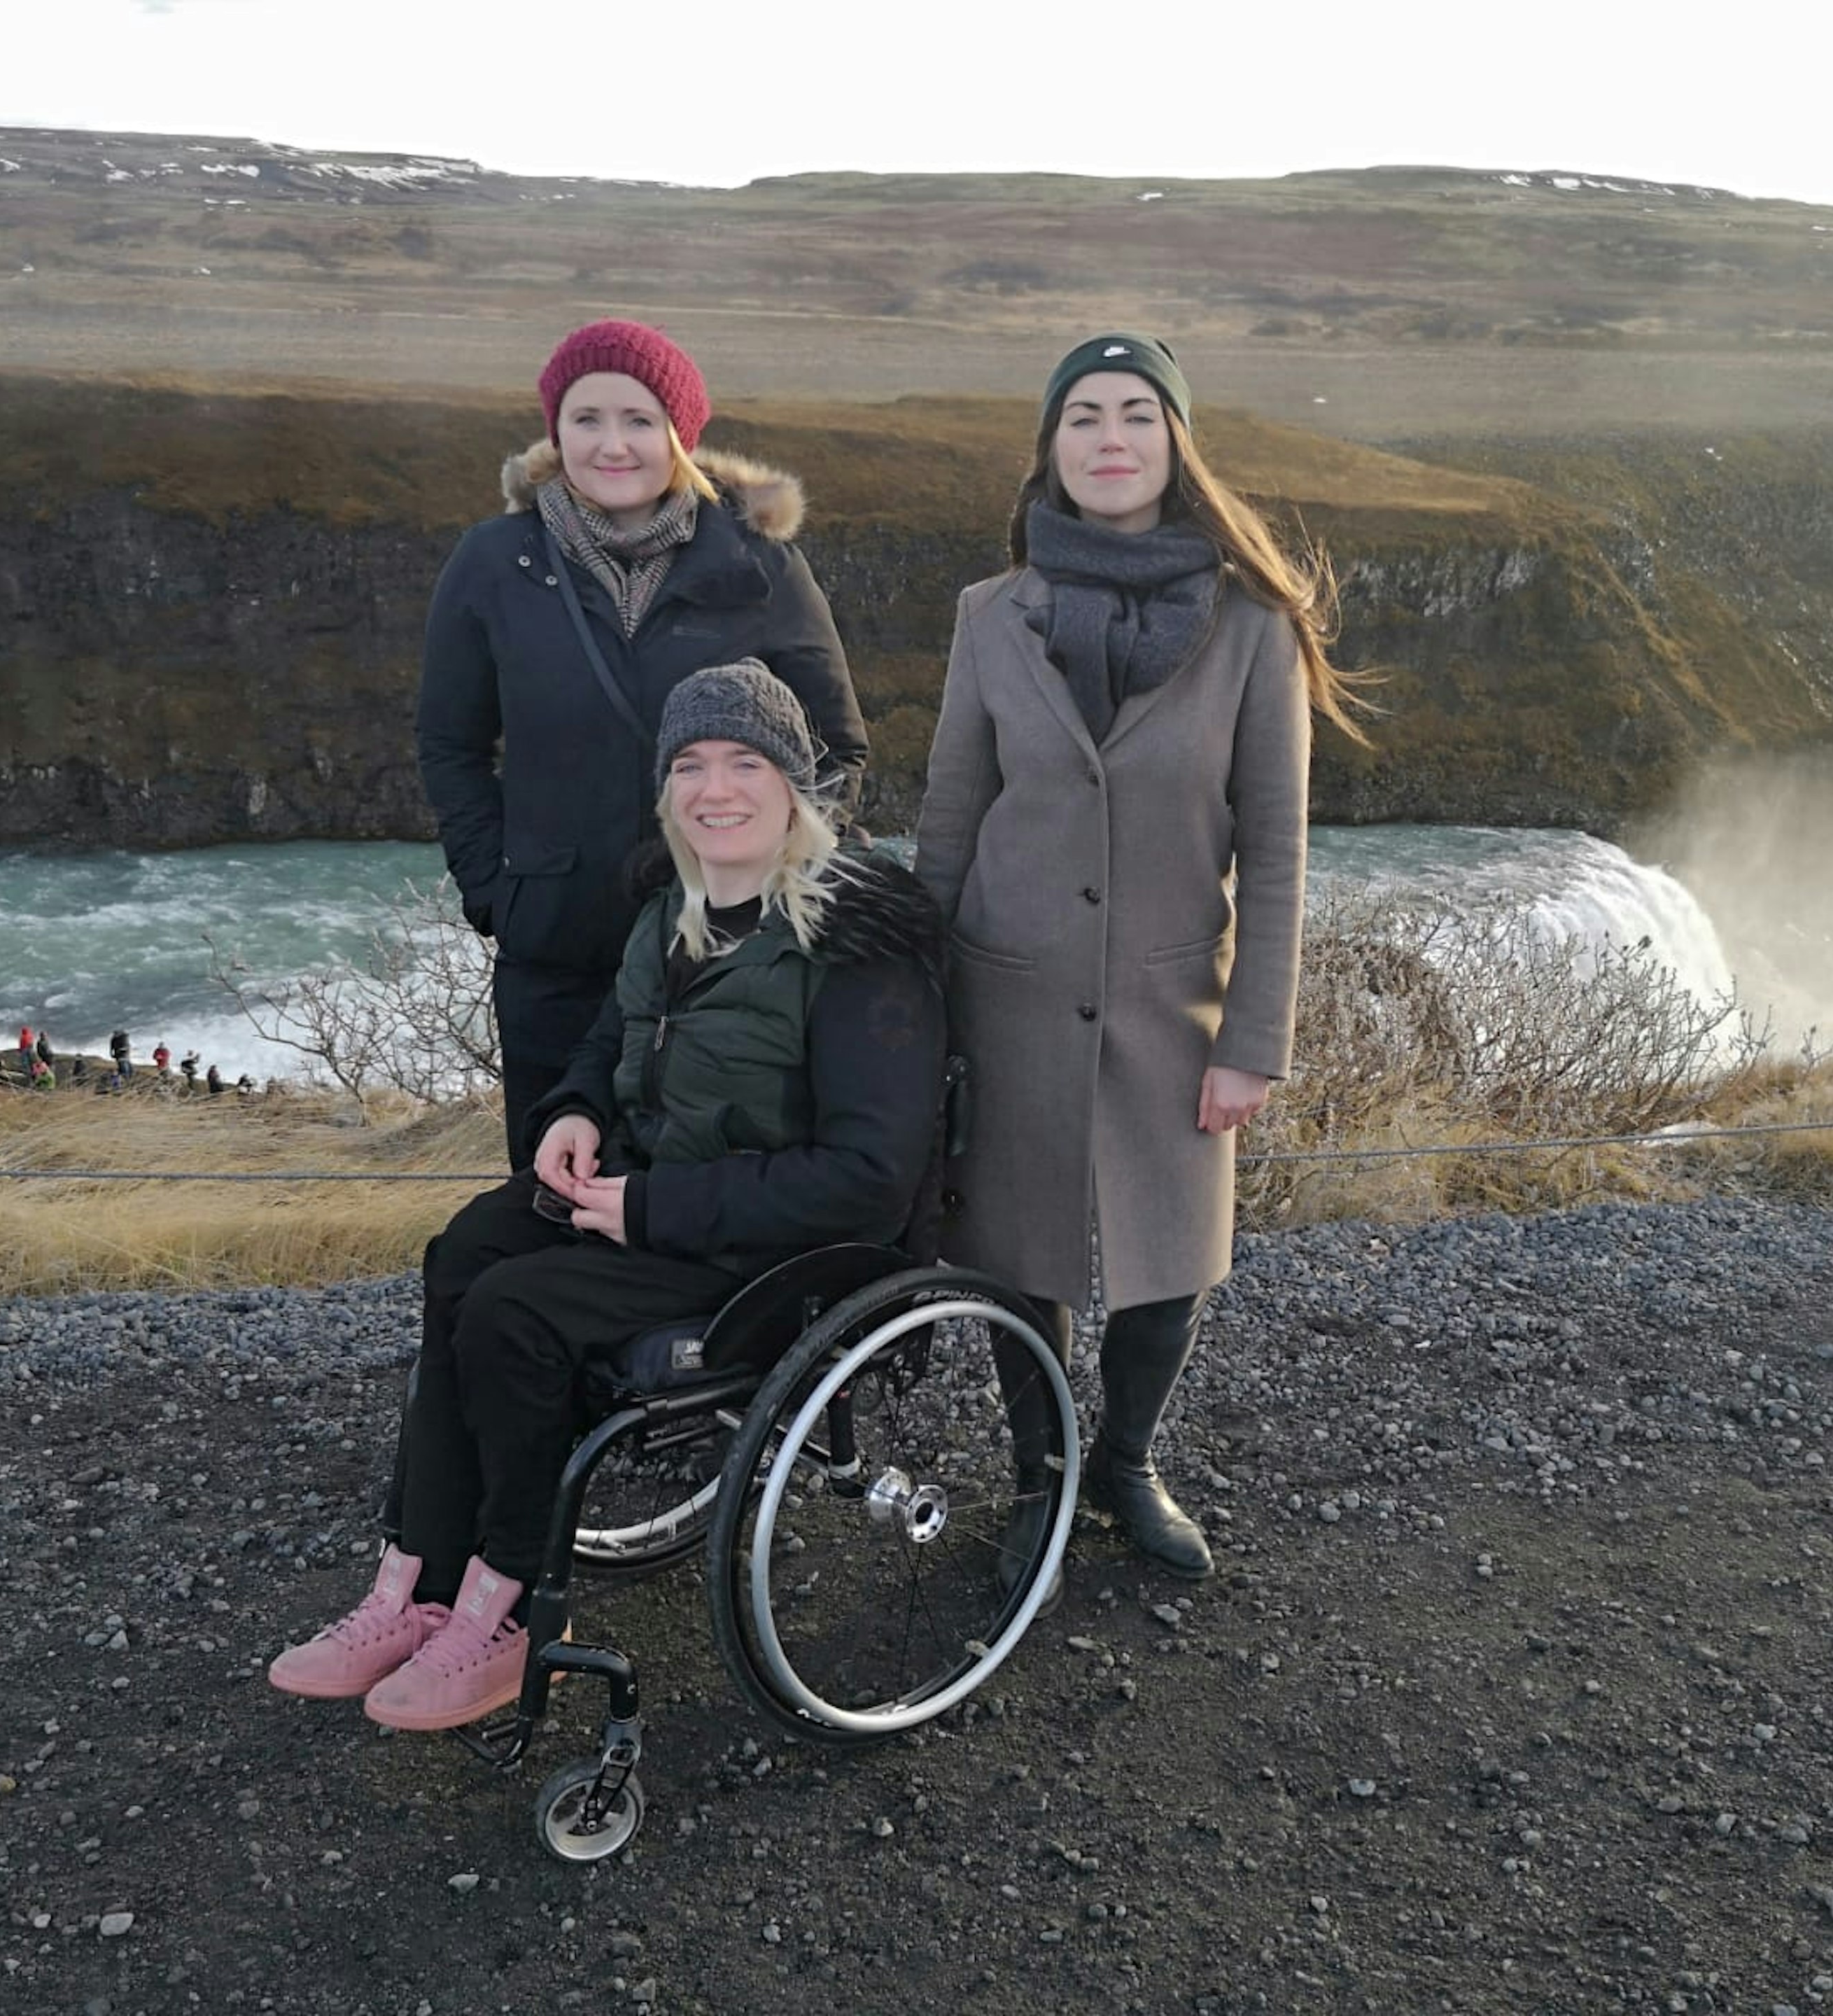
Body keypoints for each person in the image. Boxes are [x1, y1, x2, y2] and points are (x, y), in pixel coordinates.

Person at [274, 662, 943, 1730]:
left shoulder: (859, 946)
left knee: (514, 1315)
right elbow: (603, 1048)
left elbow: (869, 1178)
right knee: (464, 1256)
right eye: (689, 764)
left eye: (744, 762)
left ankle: (505, 1612)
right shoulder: (669, 912)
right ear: (665, 786)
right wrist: (574, 1117)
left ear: (795, 785)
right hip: (651, 1192)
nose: (714, 788)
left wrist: (648, 1212)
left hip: (772, 1250)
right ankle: (415, 1585)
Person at [913, 334, 1366, 1583]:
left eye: (1136, 416)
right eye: (1084, 419)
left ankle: (1124, 1463)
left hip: (1175, 1000)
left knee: (1172, 1256)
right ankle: (1041, 1484)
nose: (1110, 438)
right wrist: (906, 1008)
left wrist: (1253, 1043)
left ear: (1175, 444)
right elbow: (952, 817)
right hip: (1002, 991)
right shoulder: (989, 618)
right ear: (1050, 451)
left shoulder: (1253, 629)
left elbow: (1275, 854)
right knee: (1016, 1254)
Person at [417, 318, 871, 1173]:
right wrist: (495, 891)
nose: (612, 444)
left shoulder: (758, 565)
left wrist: (767, 891)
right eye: (586, 419)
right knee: (556, 1192)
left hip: (720, 957)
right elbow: (450, 745)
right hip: (555, 946)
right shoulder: (494, 561)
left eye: (638, 419)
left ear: (679, 433)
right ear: (555, 433)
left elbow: (837, 752)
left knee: (707, 1198)